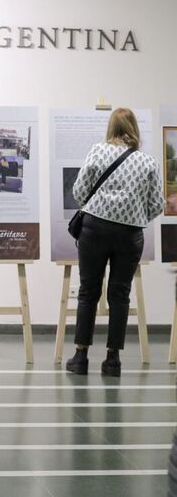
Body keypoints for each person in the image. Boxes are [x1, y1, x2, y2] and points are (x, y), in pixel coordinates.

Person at [66, 108, 164, 376]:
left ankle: (80, 357)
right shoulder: (148, 162)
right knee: (120, 294)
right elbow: (157, 204)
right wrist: (134, 215)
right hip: (129, 235)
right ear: (134, 129)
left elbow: (79, 191)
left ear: (111, 127)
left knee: (88, 291)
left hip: (94, 229)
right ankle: (113, 361)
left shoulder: (98, 151)